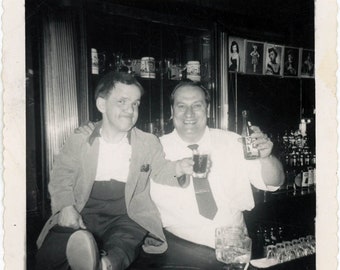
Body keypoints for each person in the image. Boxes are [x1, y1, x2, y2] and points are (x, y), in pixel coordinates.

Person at [35, 72, 194, 270]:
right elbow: (61, 175)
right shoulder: (80, 139)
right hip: (83, 209)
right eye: (122, 101)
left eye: (135, 103)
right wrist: (67, 207)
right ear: (102, 105)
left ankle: (105, 264)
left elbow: (160, 170)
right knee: (52, 256)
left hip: (126, 213)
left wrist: (179, 167)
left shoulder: (147, 142)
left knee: (125, 241)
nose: (130, 109)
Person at [150, 81, 284, 248]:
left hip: (233, 249)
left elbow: (275, 181)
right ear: (172, 111)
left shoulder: (234, 142)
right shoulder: (153, 150)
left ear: (207, 110)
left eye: (197, 105)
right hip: (178, 253)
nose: (189, 114)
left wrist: (266, 157)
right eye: (181, 106)